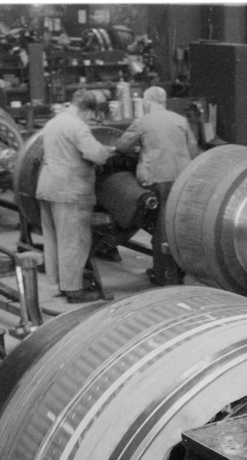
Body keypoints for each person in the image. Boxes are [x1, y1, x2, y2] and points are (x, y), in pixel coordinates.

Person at [114, 86, 200, 285]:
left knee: (161, 229)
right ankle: (176, 271)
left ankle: (165, 276)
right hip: (183, 180)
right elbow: (194, 150)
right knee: (176, 226)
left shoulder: (143, 121)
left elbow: (121, 147)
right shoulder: (180, 120)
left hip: (158, 180)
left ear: (146, 102)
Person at [36, 89, 114, 303]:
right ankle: (74, 290)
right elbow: (96, 154)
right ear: (87, 110)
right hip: (69, 190)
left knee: (55, 239)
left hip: (48, 186)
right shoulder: (77, 126)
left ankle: (63, 284)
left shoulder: (54, 122)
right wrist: (108, 151)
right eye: (92, 114)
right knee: (75, 240)